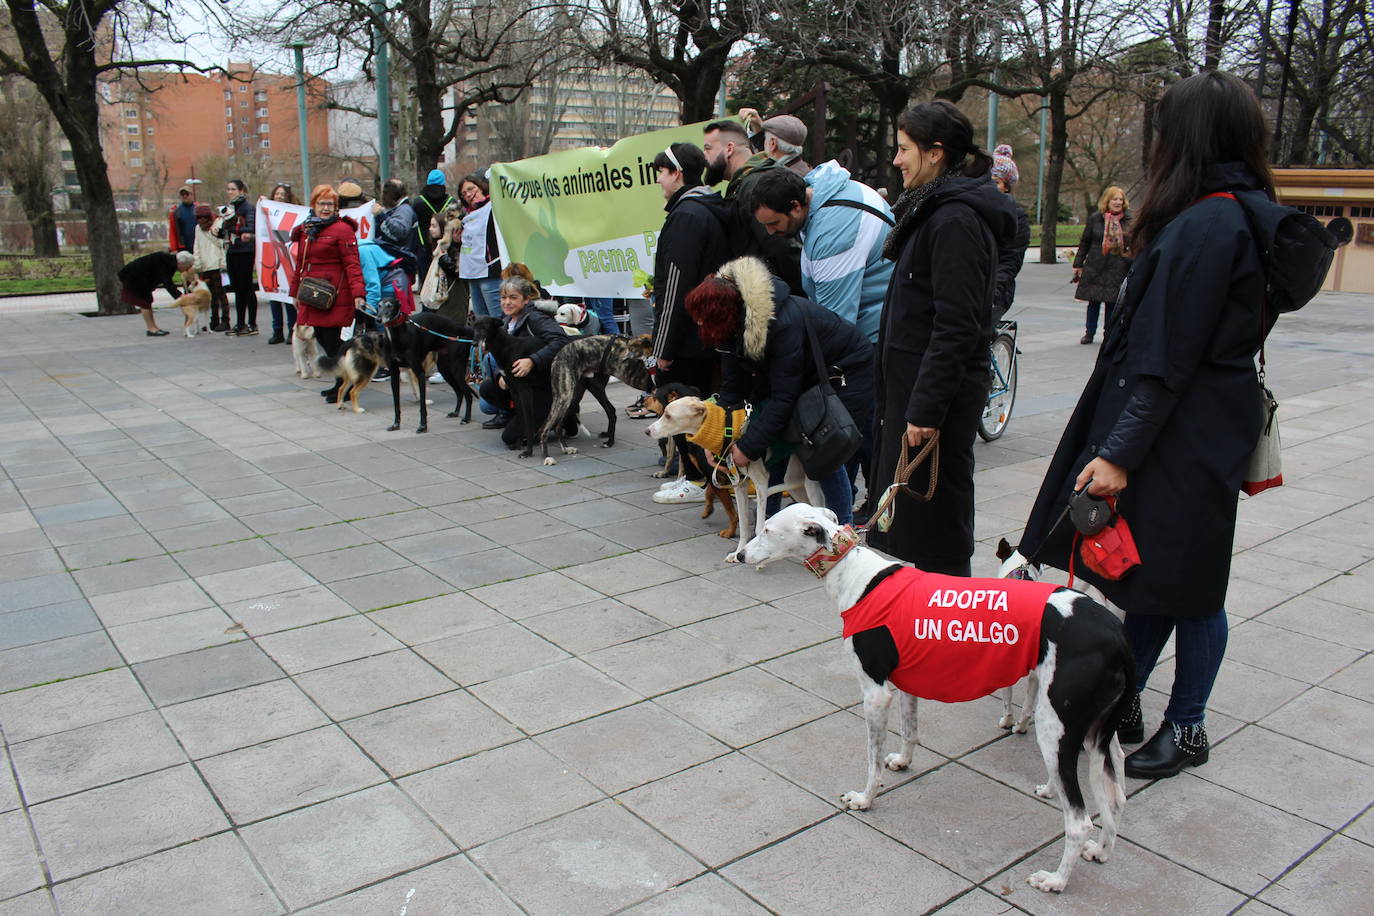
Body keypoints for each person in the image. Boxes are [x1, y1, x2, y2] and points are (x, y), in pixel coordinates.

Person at [1016, 71, 1311, 779]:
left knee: (1192, 587)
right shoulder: (1234, 211)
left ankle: (1187, 727)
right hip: (1198, 427)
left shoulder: (1210, 223)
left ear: (1188, 137)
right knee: (1154, 578)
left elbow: (1165, 360)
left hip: (1179, 432)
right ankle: (1128, 703)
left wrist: (1118, 454)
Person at [867, 100, 1019, 576]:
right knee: (914, 519)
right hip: (913, 392)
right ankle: (929, 621)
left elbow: (958, 324)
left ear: (935, 154)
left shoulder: (955, 219)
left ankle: (951, 619)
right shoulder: (932, 209)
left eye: (904, 149)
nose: (896, 160)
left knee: (936, 519)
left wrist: (926, 409)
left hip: (932, 402)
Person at [683, 256, 874, 525]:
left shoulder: (782, 323)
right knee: (773, 434)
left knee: (825, 449)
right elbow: (732, 391)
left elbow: (784, 397)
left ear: (725, 313)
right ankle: (772, 520)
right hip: (803, 373)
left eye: (705, 319)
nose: (700, 325)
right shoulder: (731, 327)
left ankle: (843, 531)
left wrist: (747, 447)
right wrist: (719, 441)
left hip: (845, 370)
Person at [750, 161, 894, 509]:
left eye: (774, 223)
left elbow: (833, 324)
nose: (770, 232)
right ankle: (869, 505)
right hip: (872, 323)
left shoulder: (833, 233)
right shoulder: (820, 192)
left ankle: (853, 515)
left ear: (797, 206)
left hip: (872, 334)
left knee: (849, 430)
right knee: (865, 428)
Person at [647, 141, 733, 503]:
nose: (660, 184)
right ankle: (700, 478)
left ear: (676, 173)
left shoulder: (687, 215)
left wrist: (661, 349)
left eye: (661, 175)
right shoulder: (707, 208)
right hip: (706, 332)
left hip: (688, 337)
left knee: (683, 410)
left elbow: (676, 287)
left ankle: (697, 479)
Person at [701, 119, 804, 293]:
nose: (705, 157)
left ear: (729, 149)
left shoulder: (753, 186)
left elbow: (782, 250)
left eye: (708, 148)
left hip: (776, 301)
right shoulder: (747, 183)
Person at [289, 184, 367, 404]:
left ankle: (345, 380)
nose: (325, 208)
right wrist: (294, 292)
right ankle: (342, 379)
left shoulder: (343, 230)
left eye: (330, 204)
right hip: (312, 293)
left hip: (335, 294)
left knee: (331, 339)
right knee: (322, 337)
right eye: (322, 204)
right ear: (313, 205)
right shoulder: (306, 229)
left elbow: (353, 264)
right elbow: (300, 264)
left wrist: (358, 293)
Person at [476, 276, 570, 449]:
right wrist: (502, 376)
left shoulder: (536, 318)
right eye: (504, 298)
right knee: (488, 389)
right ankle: (521, 415)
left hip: (544, 386)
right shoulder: (504, 322)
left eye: (513, 297)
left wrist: (533, 361)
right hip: (523, 385)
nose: (507, 302)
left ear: (526, 299)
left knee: (510, 439)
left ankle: (561, 416)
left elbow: (561, 341)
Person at [1074, 186, 1133, 344]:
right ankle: (1089, 332)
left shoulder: (1129, 220)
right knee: (1093, 301)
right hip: (1096, 264)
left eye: (1120, 199)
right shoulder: (1095, 218)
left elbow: (1135, 243)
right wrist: (1078, 263)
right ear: (1107, 201)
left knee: (1112, 303)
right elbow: (1085, 241)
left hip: (1118, 265)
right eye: (1115, 199)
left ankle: (1109, 333)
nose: (1118, 202)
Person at [990, 144, 1030, 321]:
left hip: (996, 292)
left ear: (1006, 186)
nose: (990, 187)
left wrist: (994, 292)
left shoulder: (1016, 217)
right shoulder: (973, 209)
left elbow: (1010, 259)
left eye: (996, 182)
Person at [457, 173, 503, 318]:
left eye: (471, 189)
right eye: (464, 193)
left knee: (498, 318)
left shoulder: (494, 207)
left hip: (490, 273)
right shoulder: (466, 217)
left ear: (481, 187)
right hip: (472, 273)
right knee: (481, 321)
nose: (469, 194)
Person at [118, 249, 193, 336]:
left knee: (147, 301)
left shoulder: (169, 262)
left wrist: (180, 297)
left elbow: (166, 281)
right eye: (187, 267)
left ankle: (154, 328)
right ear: (181, 263)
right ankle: (151, 329)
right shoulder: (166, 263)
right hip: (133, 277)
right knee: (144, 302)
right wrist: (181, 297)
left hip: (141, 278)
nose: (186, 270)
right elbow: (168, 283)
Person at [217, 178, 258, 336]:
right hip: (232, 250)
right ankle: (240, 323)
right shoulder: (229, 209)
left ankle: (252, 324)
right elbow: (224, 230)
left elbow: (250, 227)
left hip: (245, 251)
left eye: (233, 189)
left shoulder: (248, 208)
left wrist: (232, 226)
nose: (230, 192)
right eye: (228, 189)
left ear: (242, 191)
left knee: (246, 287)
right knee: (237, 288)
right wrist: (221, 229)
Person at [267, 183, 300, 344]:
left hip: (287, 258)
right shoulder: (267, 213)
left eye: (282, 194)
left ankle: (291, 329)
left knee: (288, 295)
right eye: (276, 193)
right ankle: (277, 330)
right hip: (273, 258)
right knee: (274, 295)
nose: (279, 196)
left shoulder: (293, 213)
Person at [738, 109, 813, 176]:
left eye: (765, 139)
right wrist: (757, 126)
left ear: (773, 143)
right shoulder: (802, 169)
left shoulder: (779, 178)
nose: (764, 143)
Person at [411, 168, 454, 285]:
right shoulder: (451, 202)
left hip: (424, 249)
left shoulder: (418, 203)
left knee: (427, 285)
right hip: (447, 249)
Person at [191, 204, 229, 332]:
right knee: (211, 295)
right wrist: (197, 263)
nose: (201, 220)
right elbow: (197, 246)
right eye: (199, 218)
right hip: (206, 265)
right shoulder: (198, 228)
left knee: (221, 293)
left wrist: (223, 263)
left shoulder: (218, 224)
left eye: (203, 218)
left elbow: (223, 244)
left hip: (217, 264)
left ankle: (225, 320)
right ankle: (214, 319)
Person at [168, 186, 197, 253]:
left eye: (187, 194)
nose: (185, 196)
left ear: (191, 195)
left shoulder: (198, 209)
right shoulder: (176, 212)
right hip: (183, 247)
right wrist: (174, 248)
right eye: (182, 194)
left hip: (198, 245)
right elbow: (172, 231)